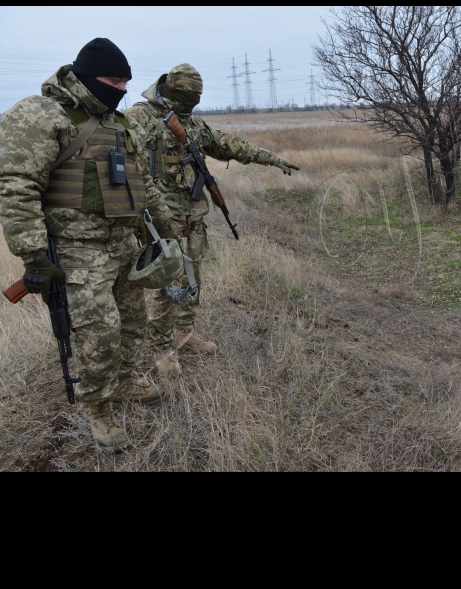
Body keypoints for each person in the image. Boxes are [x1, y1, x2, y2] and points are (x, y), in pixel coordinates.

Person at [0, 38, 175, 452]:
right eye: (115, 80)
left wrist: (163, 227)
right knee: (99, 334)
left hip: (123, 246)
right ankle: (100, 408)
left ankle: (126, 382)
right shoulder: (41, 115)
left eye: (127, 82)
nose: (123, 89)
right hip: (77, 253)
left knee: (133, 324)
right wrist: (34, 254)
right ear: (86, 78)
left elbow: (141, 181)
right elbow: (15, 186)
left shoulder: (119, 122)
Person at [126, 64, 299, 372]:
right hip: (161, 217)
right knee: (167, 282)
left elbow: (227, 144)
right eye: (187, 96)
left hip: (193, 214)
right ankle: (163, 348)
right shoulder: (140, 117)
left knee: (193, 275)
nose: (191, 102)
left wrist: (271, 158)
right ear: (170, 89)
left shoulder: (192, 124)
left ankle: (184, 332)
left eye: (196, 97)